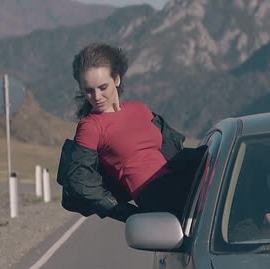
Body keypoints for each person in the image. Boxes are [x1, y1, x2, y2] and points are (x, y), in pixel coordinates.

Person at [59, 42, 203, 222]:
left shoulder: (140, 109)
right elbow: (79, 182)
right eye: (89, 91)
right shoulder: (90, 126)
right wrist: (127, 214)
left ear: (117, 79)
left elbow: (176, 152)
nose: (96, 97)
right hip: (155, 194)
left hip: (179, 179)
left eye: (103, 87)